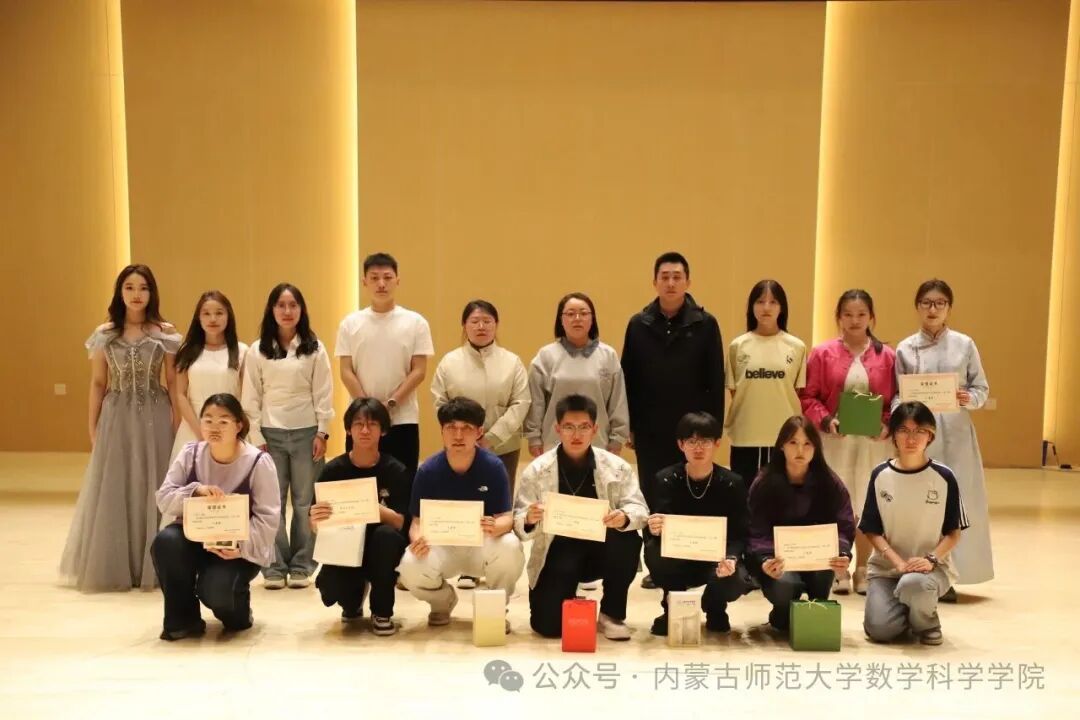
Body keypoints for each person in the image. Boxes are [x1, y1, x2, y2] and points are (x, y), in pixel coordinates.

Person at [60, 264, 182, 592]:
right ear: (120, 292)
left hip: (155, 414)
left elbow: (173, 382)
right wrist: (93, 426)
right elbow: (98, 383)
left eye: (143, 288)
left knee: (153, 483)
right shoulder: (105, 333)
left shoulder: (165, 332)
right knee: (117, 484)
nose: (136, 294)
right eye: (129, 287)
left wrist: (176, 421)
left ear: (152, 293)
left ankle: (155, 564)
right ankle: (120, 565)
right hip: (116, 416)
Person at [621, 252, 724, 588]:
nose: (670, 283)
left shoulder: (705, 324)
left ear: (688, 282)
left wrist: (712, 430)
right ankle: (658, 564)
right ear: (654, 282)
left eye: (677, 277)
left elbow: (715, 380)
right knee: (654, 493)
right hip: (650, 426)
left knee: (691, 491)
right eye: (664, 277)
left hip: (694, 430)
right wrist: (629, 425)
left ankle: (695, 561)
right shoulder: (638, 325)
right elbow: (628, 379)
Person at [514, 394, 647, 640]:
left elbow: (639, 509)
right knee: (549, 628)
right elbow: (518, 521)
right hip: (558, 549)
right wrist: (529, 518)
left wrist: (624, 517)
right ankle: (567, 593)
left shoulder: (616, 467)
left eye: (584, 427)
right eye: (569, 427)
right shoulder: (537, 470)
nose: (577, 434)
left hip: (602, 547)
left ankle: (611, 614)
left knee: (627, 541)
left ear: (595, 429)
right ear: (557, 429)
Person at [152, 394, 280, 640]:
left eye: (223, 421)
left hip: (236, 549)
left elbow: (268, 518)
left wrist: (240, 546)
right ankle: (182, 620)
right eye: (208, 420)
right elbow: (164, 498)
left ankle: (239, 610)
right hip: (194, 539)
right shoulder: (190, 453)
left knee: (218, 594)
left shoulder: (258, 462)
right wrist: (195, 491)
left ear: (239, 425)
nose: (214, 427)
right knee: (166, 542)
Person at [894, 279, 992, 599]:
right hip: (918, 438)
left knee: (957, 503)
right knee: (921, 504)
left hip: (957, 435)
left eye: (940, 303)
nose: (933, 309)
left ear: (949, 308)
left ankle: (951, 575)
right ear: (917, 307)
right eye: (926, 303)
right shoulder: (905, 348)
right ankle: (918, 571)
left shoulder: (965, 344)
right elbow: (897, 395)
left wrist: (969, 398)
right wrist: (901, 413)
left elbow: (981, 389)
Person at [396, 398, 525, 630]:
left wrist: (497, 526)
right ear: (442, 431)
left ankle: (493, 609)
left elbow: (507, 517)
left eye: (466, 428)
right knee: (409, 564)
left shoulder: (493, 467)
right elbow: (417, 521)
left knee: (510, 546)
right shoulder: (428, 470)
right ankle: (442, 602)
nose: (458, 435)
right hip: (443, 546)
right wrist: (417, 539)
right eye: (451, 428)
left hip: (481, 544)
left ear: (479, 432)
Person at [799, 289, 896, 595]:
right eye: (848, 315)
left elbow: (896, 399)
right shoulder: (822, 353)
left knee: (866, 504)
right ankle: (838, 568)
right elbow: (808, 396)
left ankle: (863, 568)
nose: (854, 321)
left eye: (861, 314)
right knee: (834, 504)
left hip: (872, 443)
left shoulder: (887, 356)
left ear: (872, 317)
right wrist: (826, 419)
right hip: (834, 441)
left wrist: (886, 424)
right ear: (838, 317)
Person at [432, 299, 530, 589]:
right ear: (464, 326)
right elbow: (440, 402)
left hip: (503, 445)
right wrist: (466, 435)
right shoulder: (449, 362)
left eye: (487, 321)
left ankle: (496, 563)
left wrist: (491, 437)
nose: (481, 326)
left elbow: (521, 403)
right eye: (474, 321)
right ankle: (468, 567)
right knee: (464, 502)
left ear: (496, 325)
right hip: (460, 446)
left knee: (499, 503)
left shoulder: (512, 362)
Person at [241, 283, 334, 590]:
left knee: (306, 501)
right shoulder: (257, 350)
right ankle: (273, 565)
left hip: (307, 432)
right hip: (269, 434)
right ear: (271, 310)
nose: (287, 311)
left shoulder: (314, 348)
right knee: (272, 502)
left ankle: (303, 564)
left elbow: (323, 392)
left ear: (301, 310)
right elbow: (251, 397)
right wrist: (256, 437)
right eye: (281, 305)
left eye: (293, 305)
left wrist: (323, 431)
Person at [861, 402, 968, 645]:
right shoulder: (880, 475)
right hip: (886, 569)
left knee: (913, 584)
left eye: (920, 431)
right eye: (903, 430)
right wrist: (898, 563)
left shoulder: (944, 477)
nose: (911, 438)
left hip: (930, 568)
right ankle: (908, 609)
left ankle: (926, 622)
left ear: (930, 436)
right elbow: (871, 530)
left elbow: (954, 532)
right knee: (879, 630)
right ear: (893, 435)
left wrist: (930, 559)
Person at [309, 398, 412, 635]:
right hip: (345, 543)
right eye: (358, 424)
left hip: (383, 547)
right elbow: (314, 524)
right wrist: (315, 520)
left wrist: (371, 508)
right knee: (331, 589)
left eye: (372, 424)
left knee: (386, 537)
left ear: (383, 430)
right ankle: (353, 600)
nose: (365, 430)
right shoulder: (333, 470)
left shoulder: (395, 470)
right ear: (348, 430)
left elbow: (401, 522)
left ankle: (382, 611)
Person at [644, 412, 751, 636]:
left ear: (717, 444)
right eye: (691, 441)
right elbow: (657, 525)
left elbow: (740, 532)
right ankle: (673, 607)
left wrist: (731, 558)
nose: (698, 448)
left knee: (736, 578)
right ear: (681, 445)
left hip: (716, 559)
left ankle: (715, 606)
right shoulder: (665, 479)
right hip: (678, 556)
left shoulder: (733, 483)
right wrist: (654, 528)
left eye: (705, 441)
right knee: (654, 551)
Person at [747, 416, 855, 633]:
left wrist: (842, 553)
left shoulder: (830, 482)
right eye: (793, 442)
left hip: (817, 560)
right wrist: (766, 558)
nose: (800, 450)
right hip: (778, 560)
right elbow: (755, 529)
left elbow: (844, 524)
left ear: (816, 448)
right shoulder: (764, 483)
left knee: (824, 570)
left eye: (807, 444)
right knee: (785, 586)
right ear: (781, 446)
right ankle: (783, 611)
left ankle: (814, 609)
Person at [336, 252, 434, 479]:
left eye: (387, 277)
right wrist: (367, 409)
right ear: (364, 282)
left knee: (403, 482)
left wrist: (389, 404)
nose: (381, 284)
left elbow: (419, 371)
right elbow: (346, 371)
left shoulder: (416, 322)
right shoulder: (349, 324)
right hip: (360, 422)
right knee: (359, 485)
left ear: (397, 280)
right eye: (374, 278)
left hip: (403, 418)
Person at [524, 292, 629, 457]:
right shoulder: (545, 356)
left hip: (599, 444)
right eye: (570, 314)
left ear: (592, 319)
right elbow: (536, 402)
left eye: (584, 313)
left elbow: (618, 401)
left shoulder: (608, 355)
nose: (577, 318)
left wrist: (617, 438)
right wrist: (534, 437)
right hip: (554, 444)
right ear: (561, 320)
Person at [726, 280, 807, 486]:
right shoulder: (737, 346)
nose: (766, 308)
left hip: (784, 437)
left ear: (782, 307)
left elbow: (796, 391)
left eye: (773, 302)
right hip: (745, 434)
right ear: (751, 306)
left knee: (781, 495)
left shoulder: (796, 347)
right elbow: (735, 392)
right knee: (745, 494)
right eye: (760, 302)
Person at [170, 290, 248, 462]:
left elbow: (245, 396)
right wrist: (201, 431)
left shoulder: (241, 351)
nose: (213, 319)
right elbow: (180, 394)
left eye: (219, 313)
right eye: (206, 313)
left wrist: (232, 429)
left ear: (228, 316)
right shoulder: (187, 351)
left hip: (228, 429)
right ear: (199, 318)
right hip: (193, 427)